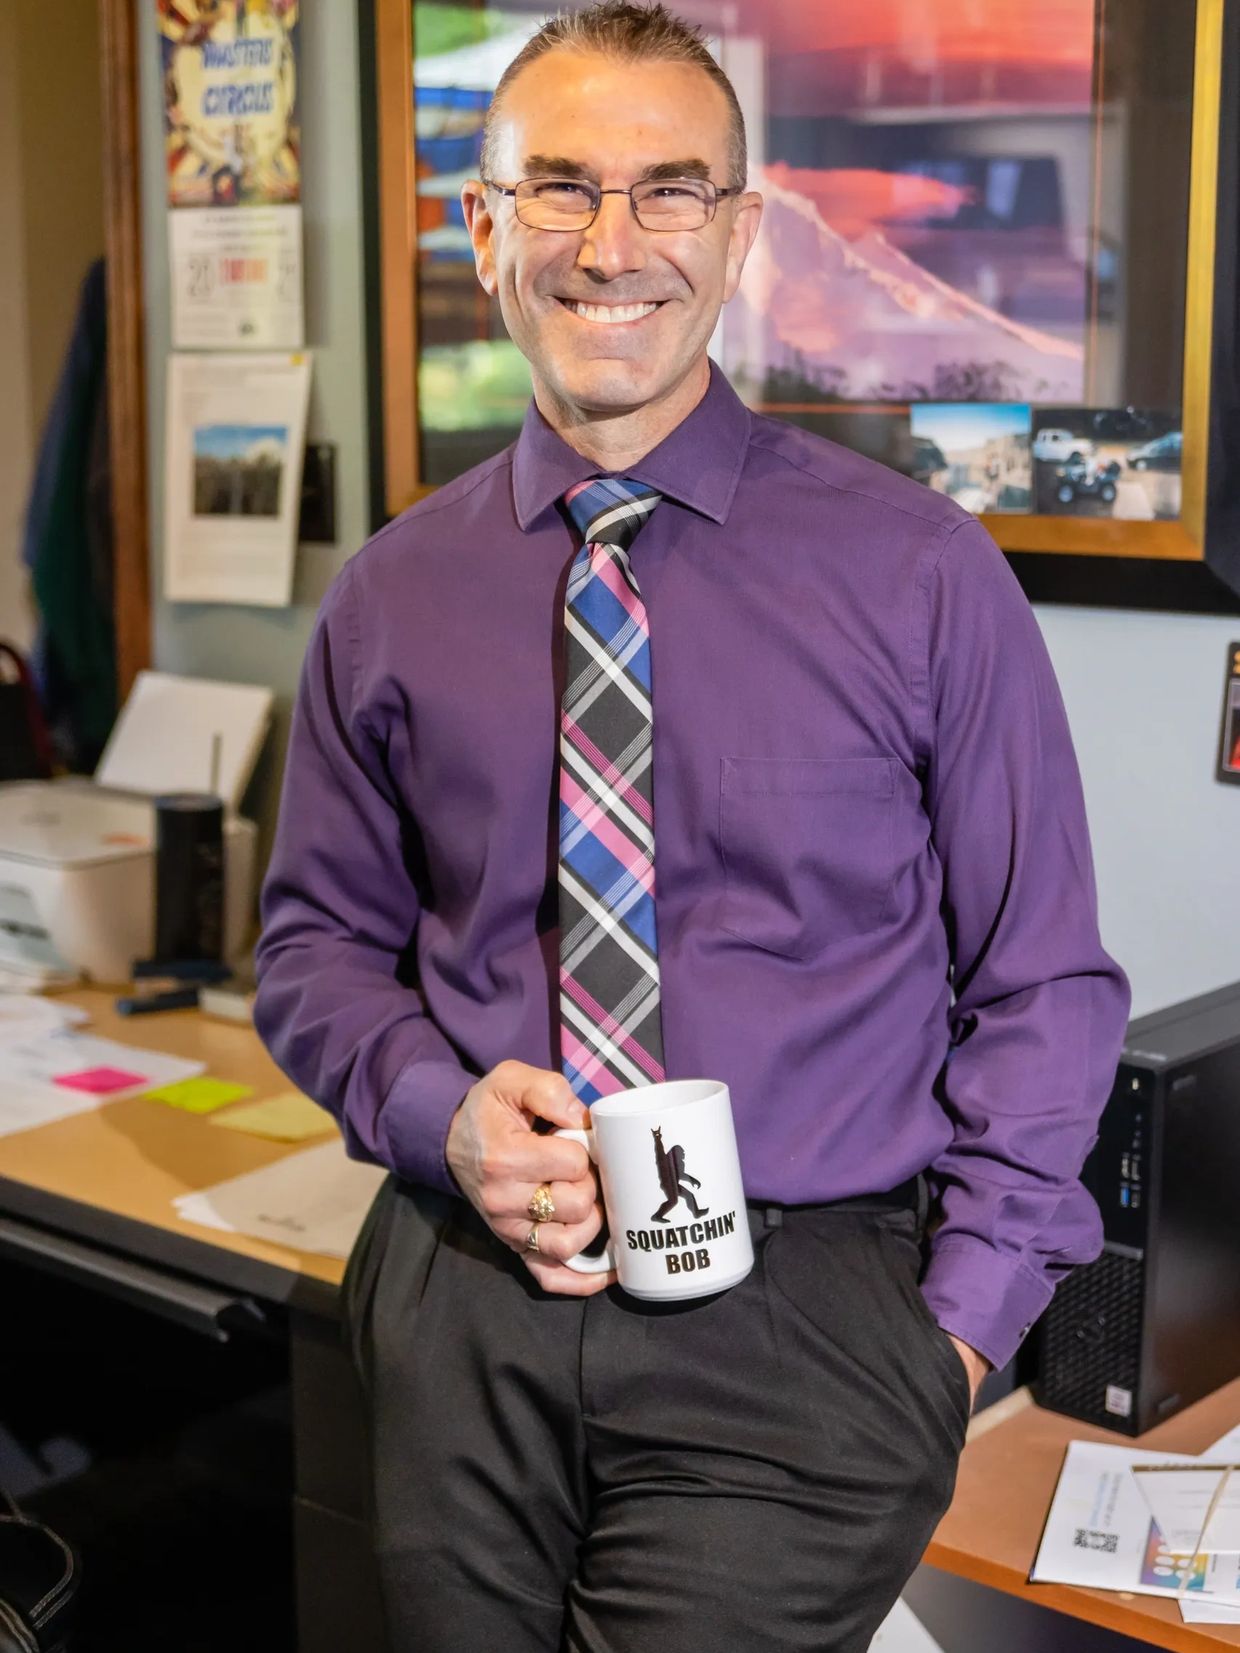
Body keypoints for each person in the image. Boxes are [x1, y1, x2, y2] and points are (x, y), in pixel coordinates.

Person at [254, 4, 1131, 1647]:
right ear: (484, 223)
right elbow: (309, 951)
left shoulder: (922, 576)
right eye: (561, 186)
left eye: (670, 191)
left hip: (805, 1328)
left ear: (740, 232)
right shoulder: (389, 596)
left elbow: (1043, 983)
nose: (611, 244)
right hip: (463, 1310)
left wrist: (952, 1336)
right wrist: (437, 1112)